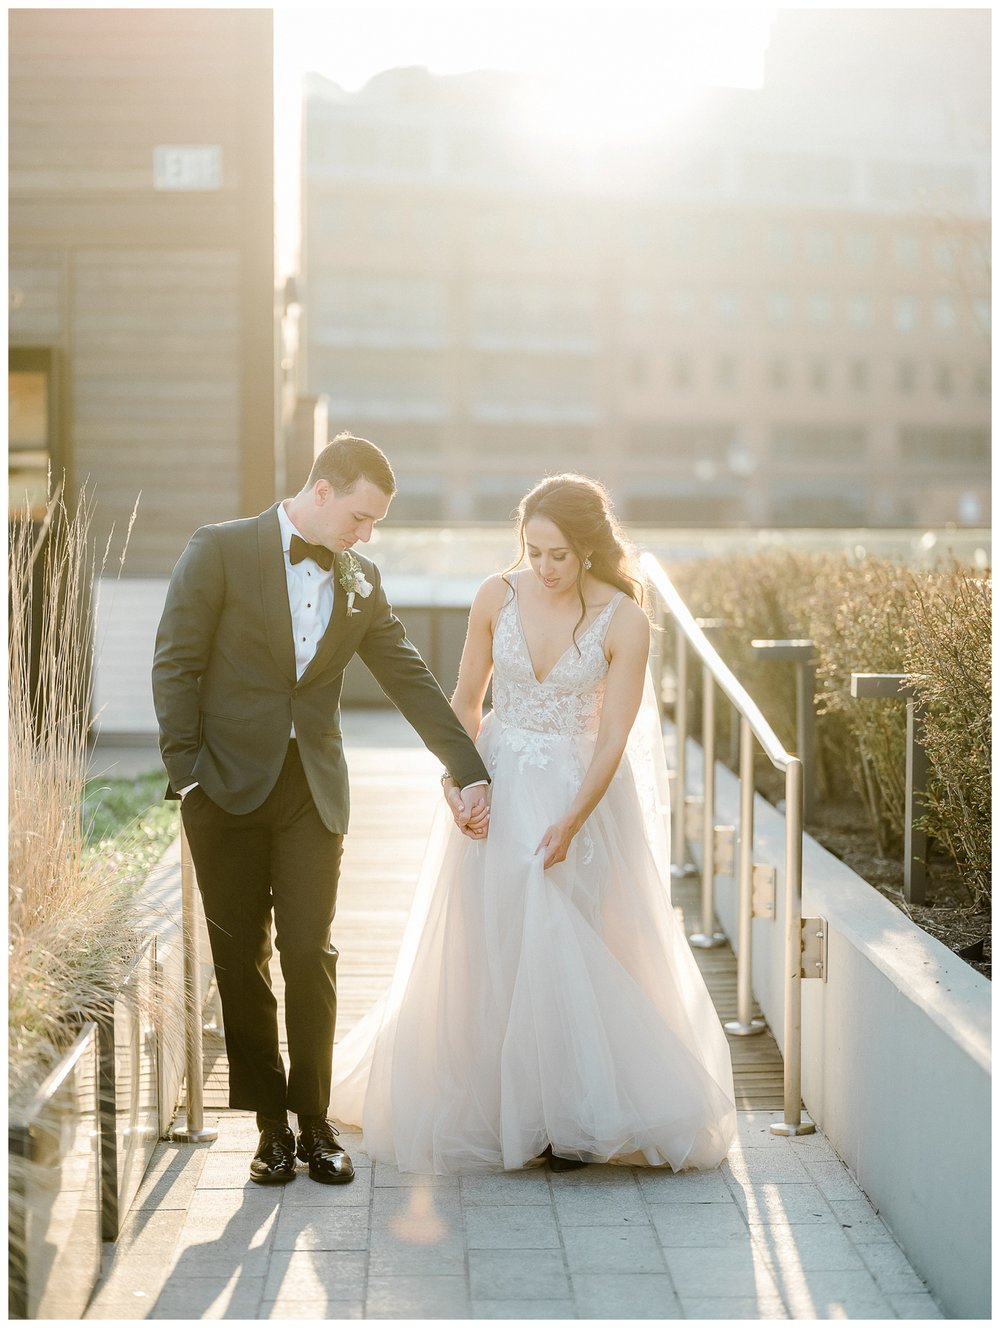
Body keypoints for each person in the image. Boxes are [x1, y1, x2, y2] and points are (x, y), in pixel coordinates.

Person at [330, 473, 736, 1173]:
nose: (543, 568)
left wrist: (574, 821)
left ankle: (571, 1112)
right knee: (494, 933)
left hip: (585, 794)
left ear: (588, 551)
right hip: (501, 778)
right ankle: (500, 1097)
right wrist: (459, 780)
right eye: (533, 550)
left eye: (558, 555)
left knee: (576, 936)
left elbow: (613, 737)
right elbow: (464, 702)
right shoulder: (496, 595)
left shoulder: (626, 620)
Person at [151, 433, 491, 1186]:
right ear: (324, 491)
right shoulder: (220, 549)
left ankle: (314, 1123)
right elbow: (176, 658)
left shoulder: (361, 581)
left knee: (310, 951)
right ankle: (268, 1129)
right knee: (242, 962)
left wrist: (471, 771)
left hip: (313, 792)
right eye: (362, 517)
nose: (366, 536)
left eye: (376, 525)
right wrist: (189, 772)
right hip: (225, 791)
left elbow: (409, 678)